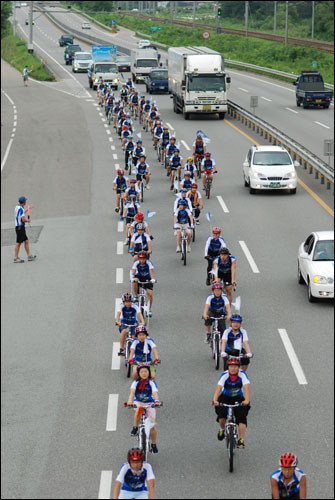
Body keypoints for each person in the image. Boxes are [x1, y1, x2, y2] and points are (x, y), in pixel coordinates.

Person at [213, 357, 250, 448]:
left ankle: (241, 440)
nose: (233, 368)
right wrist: (215, 400)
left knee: (242, 418)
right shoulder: (225, 375)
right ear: (228, 367)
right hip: (225, 397)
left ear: (238, 367)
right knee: (222, 416)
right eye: (231, 366)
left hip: (238, 397)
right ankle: (221, 429)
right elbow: (219, 388)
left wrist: (246, 400)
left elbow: (246, 387)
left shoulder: (242, 374)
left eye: (235, 366)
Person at [127, 365, 161, 454]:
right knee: (139, 410)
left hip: (150, 403)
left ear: (149, 373)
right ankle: (135, 427)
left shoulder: (151, 382)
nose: (144, 373)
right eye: (142, 372)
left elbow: (154, 393)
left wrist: (157, 401)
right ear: (139, 373)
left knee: (152, 426)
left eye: (146, 371)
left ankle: (153, 444)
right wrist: (130, 401)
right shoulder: (135, 382)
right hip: (138, 402)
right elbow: (132, 393)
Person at [116, 292, 145, 356]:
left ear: (132, 301)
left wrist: (142, 322)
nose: (128, 303)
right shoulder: (121, 306)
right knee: (124, 331)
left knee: (134, 337)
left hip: (134, 323)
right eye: (126, 302)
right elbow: (118, 315)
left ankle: (133, 351)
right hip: (124, 323)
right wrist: (118, 322)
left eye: (129, 301)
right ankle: (121, 348)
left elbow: (140, 314)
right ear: (123, 302)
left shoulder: (135, 306)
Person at [131, 251, 155, 316]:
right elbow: (133, 271)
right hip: (139, 277)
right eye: (140, 259)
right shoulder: (136, 263)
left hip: (147, 278)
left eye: (143, 259)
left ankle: (149, 309)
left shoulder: (149, 263)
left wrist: (152, 279)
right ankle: (136, 296)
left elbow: (151, 272)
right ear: (138, 258)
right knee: (135, 281)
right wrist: (132, 277)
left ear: (146, 258)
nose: (142, 260)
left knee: (150, 294)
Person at [14, 196, 36, 263]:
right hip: (20, 228)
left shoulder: (17, 207)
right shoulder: (21, 209)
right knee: (18, 243)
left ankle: (29, 256)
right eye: (25, 201)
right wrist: (28, 221)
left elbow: (22, 213)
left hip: (19, 227)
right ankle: (16, 258)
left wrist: (28, 209)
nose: (26, 201)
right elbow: (23, 219)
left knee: (26, 241)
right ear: (24, 202)